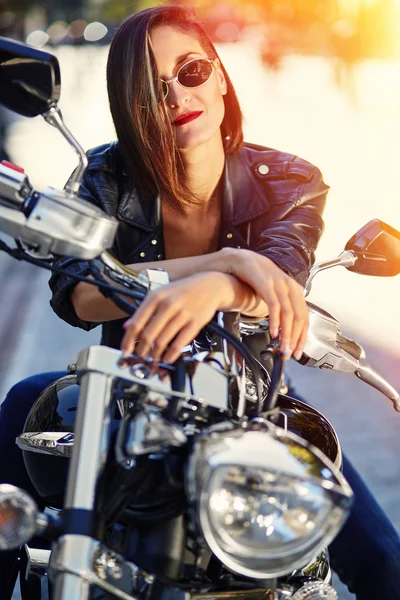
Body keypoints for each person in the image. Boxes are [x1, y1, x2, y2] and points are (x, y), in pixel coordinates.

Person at [0, 5, 399, 600]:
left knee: (385, 568)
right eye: (149, 86)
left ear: (217, 75)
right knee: (28, 405)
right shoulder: (106, 176)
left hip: (248, 398)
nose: (175, 95)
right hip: (129, 390)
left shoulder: (289, 179)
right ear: (129, 101)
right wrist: (225, 263)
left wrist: (217, 285)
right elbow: (80, 294)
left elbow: (282, 280)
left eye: (188, 71)